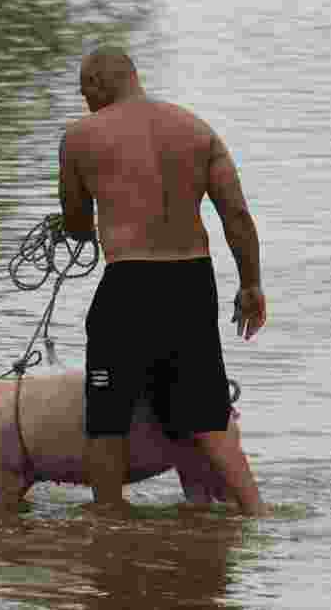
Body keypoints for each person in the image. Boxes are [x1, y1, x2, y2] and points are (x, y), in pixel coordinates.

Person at [59, 48, 268, 516]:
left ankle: (111, 518)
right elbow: (235, 213)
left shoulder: (79, 138)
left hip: (128, 286)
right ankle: (256, 513)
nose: (84, 101)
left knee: (107, 414)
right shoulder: (196, 129)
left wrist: (74, 225)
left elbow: (76, 223)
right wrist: (251, 284)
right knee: (207, 412)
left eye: (84, 91)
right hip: (192, 283)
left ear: (96, 82)